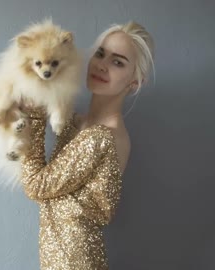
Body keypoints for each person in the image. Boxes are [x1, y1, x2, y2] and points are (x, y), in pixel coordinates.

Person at [19, 21, 155, 269]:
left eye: (118, 62)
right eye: (100, 53)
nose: (102, 65)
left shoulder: (102, 137)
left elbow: (36, 185)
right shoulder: (73, 122)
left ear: (135, 81)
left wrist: (36, 116)